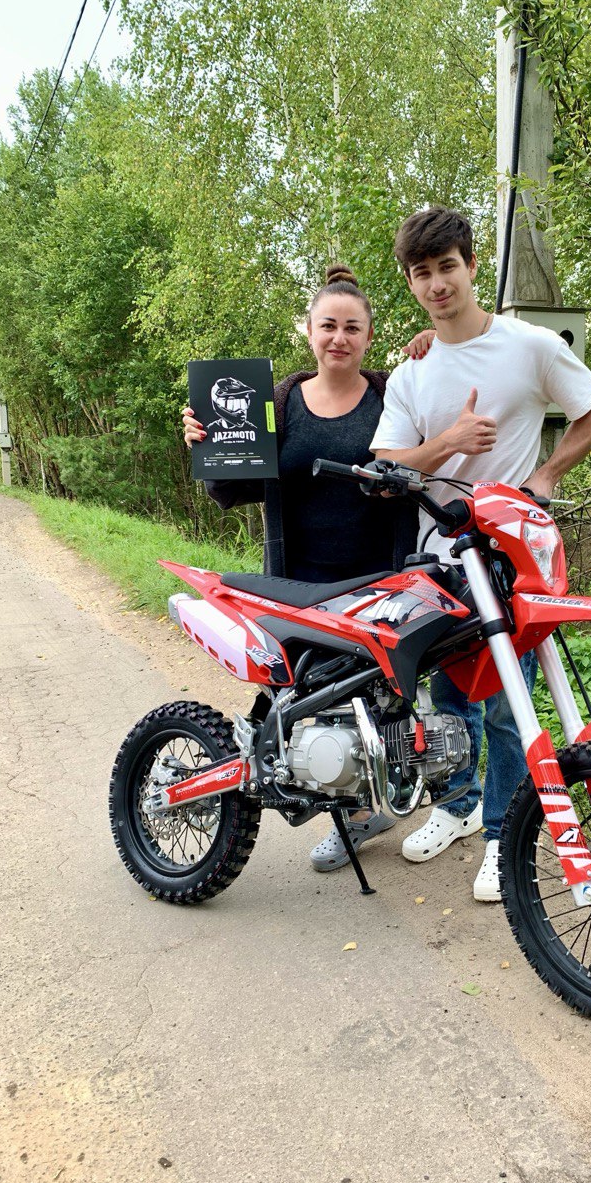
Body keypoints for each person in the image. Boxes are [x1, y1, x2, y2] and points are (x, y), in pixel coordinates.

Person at [371, 207, 591, 902]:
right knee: (449, 698)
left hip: (509, 561)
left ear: (472, 265)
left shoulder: (529, 346)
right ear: (410, 283)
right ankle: (457, 806)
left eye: (447, 267)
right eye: (422, 273)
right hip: (439, 565)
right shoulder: (413, 371)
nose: (437, 284)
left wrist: (546, 477)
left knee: (511, 705)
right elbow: (386, 468)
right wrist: (449, 441)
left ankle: (503, 834)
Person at [182, 263, 422, 872]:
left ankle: (369, 814)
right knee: (303, 704)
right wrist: (208, 446)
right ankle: (326, 809)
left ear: (369, 336)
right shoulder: (278, 403)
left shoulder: (393, 395)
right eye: (328, 326)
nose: (339, 338)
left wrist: (431, 343)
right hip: (297, 582)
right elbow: (235, 488)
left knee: (380, 703)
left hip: (378, 579)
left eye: (352, 327)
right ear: (309, 331)